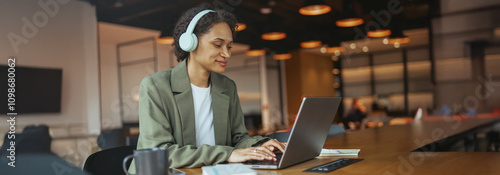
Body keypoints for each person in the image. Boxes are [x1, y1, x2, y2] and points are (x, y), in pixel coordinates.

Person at [129, 3, 285, 172]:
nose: (227, 54)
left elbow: (238, 138)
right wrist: (227, 154)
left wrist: (261, 145)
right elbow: (161, 153)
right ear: (190, 43)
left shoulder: (227, 86)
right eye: (218, 45)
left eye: (229, 46)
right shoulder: (156, 86)